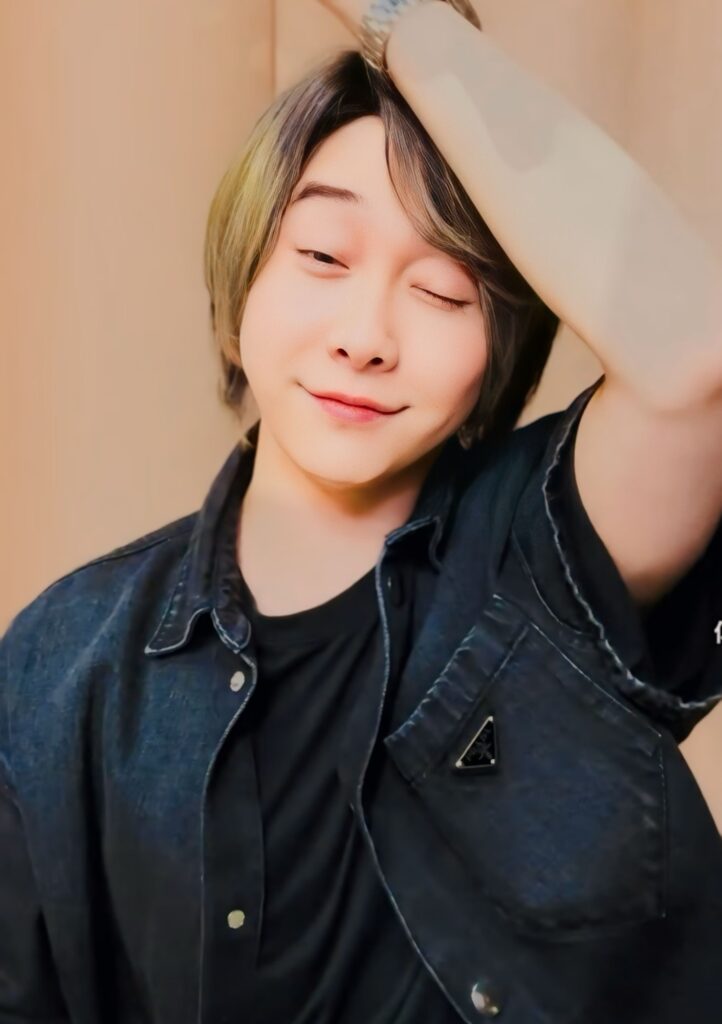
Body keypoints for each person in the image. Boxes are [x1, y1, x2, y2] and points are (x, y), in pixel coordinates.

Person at [2, 1, 722, 1022]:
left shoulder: (545, 555)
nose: (366, 337)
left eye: (442, 292)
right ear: (246, 268)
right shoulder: (62, 661)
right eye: (323, 256)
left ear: (500, 347)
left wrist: (401, 21)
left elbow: (695, 358)